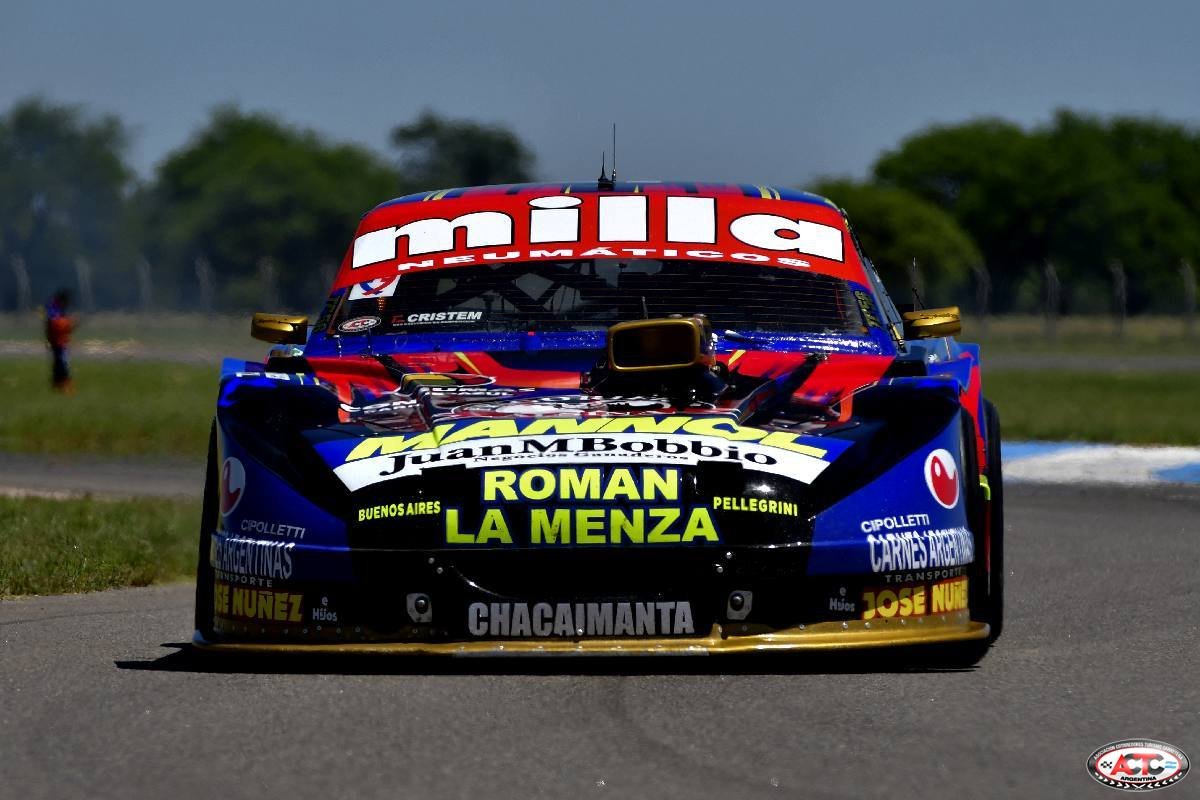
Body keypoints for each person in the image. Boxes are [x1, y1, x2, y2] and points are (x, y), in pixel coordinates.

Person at [44, 289, 75, 392]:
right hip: (58, 341)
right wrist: (69, 324)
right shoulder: (54, 307)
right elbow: (55, 323)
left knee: (59, 362)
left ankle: (58, 384)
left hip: (58, 340)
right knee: (62, 363)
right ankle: (63, 384)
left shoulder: (55, 306)